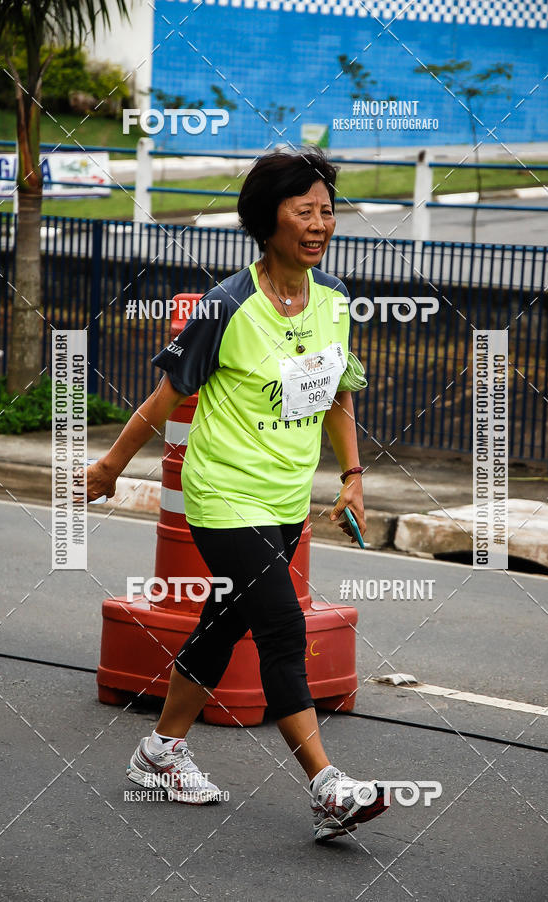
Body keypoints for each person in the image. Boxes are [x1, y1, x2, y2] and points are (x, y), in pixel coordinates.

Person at [87, 148, 389, 842]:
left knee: (221, 625)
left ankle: (159, 752)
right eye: (304, 211)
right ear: (266, 219)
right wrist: (109, 466)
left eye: (327, 212)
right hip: (223, 497)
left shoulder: (335, 299)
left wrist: (351, 479)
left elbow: (340, 394)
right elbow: (166, 398)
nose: (320, 224)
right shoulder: (228, 306)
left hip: (285, 499)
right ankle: (327, 788)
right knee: (282, 631)